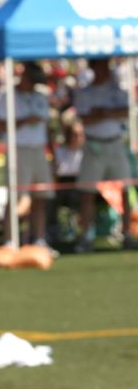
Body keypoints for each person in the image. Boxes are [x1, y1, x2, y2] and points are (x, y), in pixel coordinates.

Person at [73, 57, 134, 252]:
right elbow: (86, 118)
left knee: (125, 189)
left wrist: (104, 113)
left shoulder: (117, 89)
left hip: (115, 143)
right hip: (94, 146)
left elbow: (125, 111)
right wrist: (105, 114)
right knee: (87, 192)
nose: (106, 71)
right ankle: (86, 236)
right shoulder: (85, 92)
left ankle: (127, 233)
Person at [0, 61, 54, 249]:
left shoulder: (41, 97)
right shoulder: (7, 97)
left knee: (40, 197)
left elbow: (47, 127)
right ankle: (10, 240)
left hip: (39, 150)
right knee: (17, 197)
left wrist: (53, 153)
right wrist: (25, 121)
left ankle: (39, 239)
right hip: (19, 149)